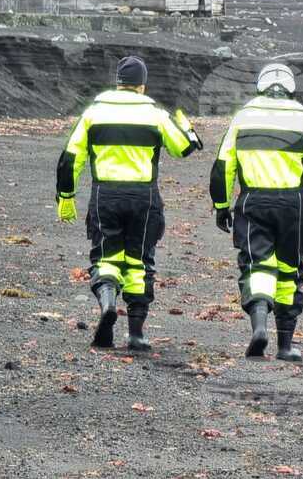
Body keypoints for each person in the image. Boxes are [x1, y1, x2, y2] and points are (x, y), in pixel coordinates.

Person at [57, 56, 203, 350]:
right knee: (139, 262)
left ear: (118, 82)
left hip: (105, 195)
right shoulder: (155, 113)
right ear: (142, 85)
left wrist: (66, 196)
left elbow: (70, 158)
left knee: (106, 259)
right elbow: (183, 149)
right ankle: (136, 334)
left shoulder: (94, 112)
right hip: (143, 197)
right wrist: (189, 130)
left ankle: (108, 304)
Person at [209, 63, 303, 362]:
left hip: (253, 200)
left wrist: (221, 205)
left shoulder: (243, 117)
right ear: (291, 88)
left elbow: (222, 167)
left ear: (260, 86)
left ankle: (259, 327)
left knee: (256, 266)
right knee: (289, 272)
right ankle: (285, 345)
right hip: (294, 206)